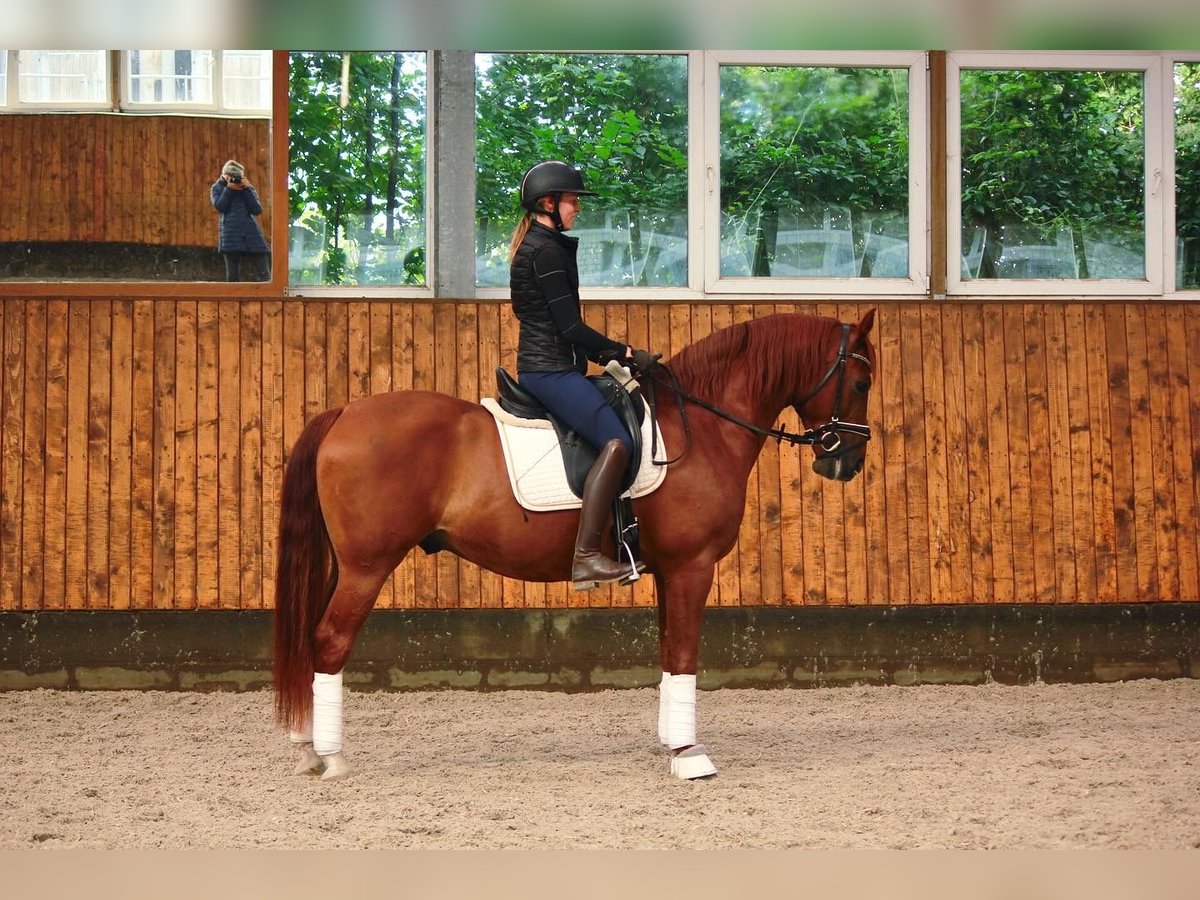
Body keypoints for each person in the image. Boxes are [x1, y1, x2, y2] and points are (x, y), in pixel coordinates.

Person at [508, 160, 658, 589]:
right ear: (548, 203)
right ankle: (587, 556)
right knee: (617, 442)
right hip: (549, 371)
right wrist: (624, 353)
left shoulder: (539, 246)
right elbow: (569, 328)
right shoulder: (547, 251)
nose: (577, 208)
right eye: (572, 201)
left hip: (553, 365)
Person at [210, 160, 270, 282]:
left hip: (251, 234)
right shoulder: (217, 188)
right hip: (230, 236)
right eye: (231, 177)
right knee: (232, 278)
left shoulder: (247, 187)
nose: (235, 180)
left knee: (265, 275)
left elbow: (257, 210)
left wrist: (247, 189)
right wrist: (229, 189)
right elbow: (220, 207)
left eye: (237, 177)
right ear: (225, 176)